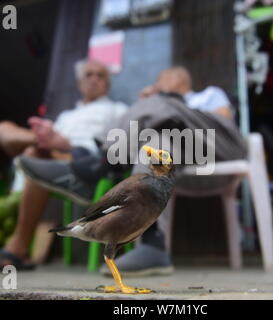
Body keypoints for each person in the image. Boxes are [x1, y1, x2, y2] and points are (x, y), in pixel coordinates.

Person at [8, 67, 246, 274]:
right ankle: (153, 244)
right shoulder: (160, 107)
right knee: (155, 144)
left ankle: (97, 166)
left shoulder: (206, 95)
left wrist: (166, 103)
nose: (158, 84)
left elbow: (224, 121)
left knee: (156, 106)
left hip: (217, 148)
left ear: (179, 79)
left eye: (163, 79)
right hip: (180, 160)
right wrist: (158, 112)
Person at [0, 59, 128, 269]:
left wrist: (67, 145)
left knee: (35, 156)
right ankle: (40, 141)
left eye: (100, 75)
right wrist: (50, 140)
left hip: (87, 160)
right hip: (53, 154)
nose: (94, 79)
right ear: (79, 83)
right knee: (9, 131)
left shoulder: (117, 109)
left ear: (108, 84)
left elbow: (118, 146)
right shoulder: (66, 116)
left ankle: (18, 249)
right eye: (89, 75)